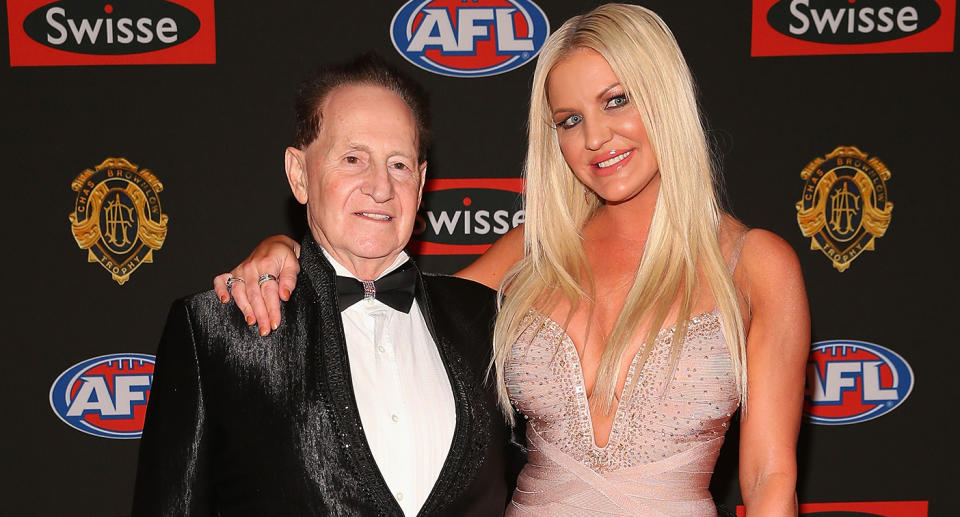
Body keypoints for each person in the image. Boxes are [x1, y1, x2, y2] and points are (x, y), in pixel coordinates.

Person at [217, 4, 809, 516]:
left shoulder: (755, 265)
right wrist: (288, 248)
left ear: (666, 98)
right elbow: (394, 313)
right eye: (570, 121)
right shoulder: (535, 249)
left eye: (616, 101)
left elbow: (768, 479)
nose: (596, 138)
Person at [133, 55, 521, 516]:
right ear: (300, 174)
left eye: (398, 164)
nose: (380, 187)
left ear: (420, 181)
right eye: (353, 159)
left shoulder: (490, 324)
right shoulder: (217, 331)